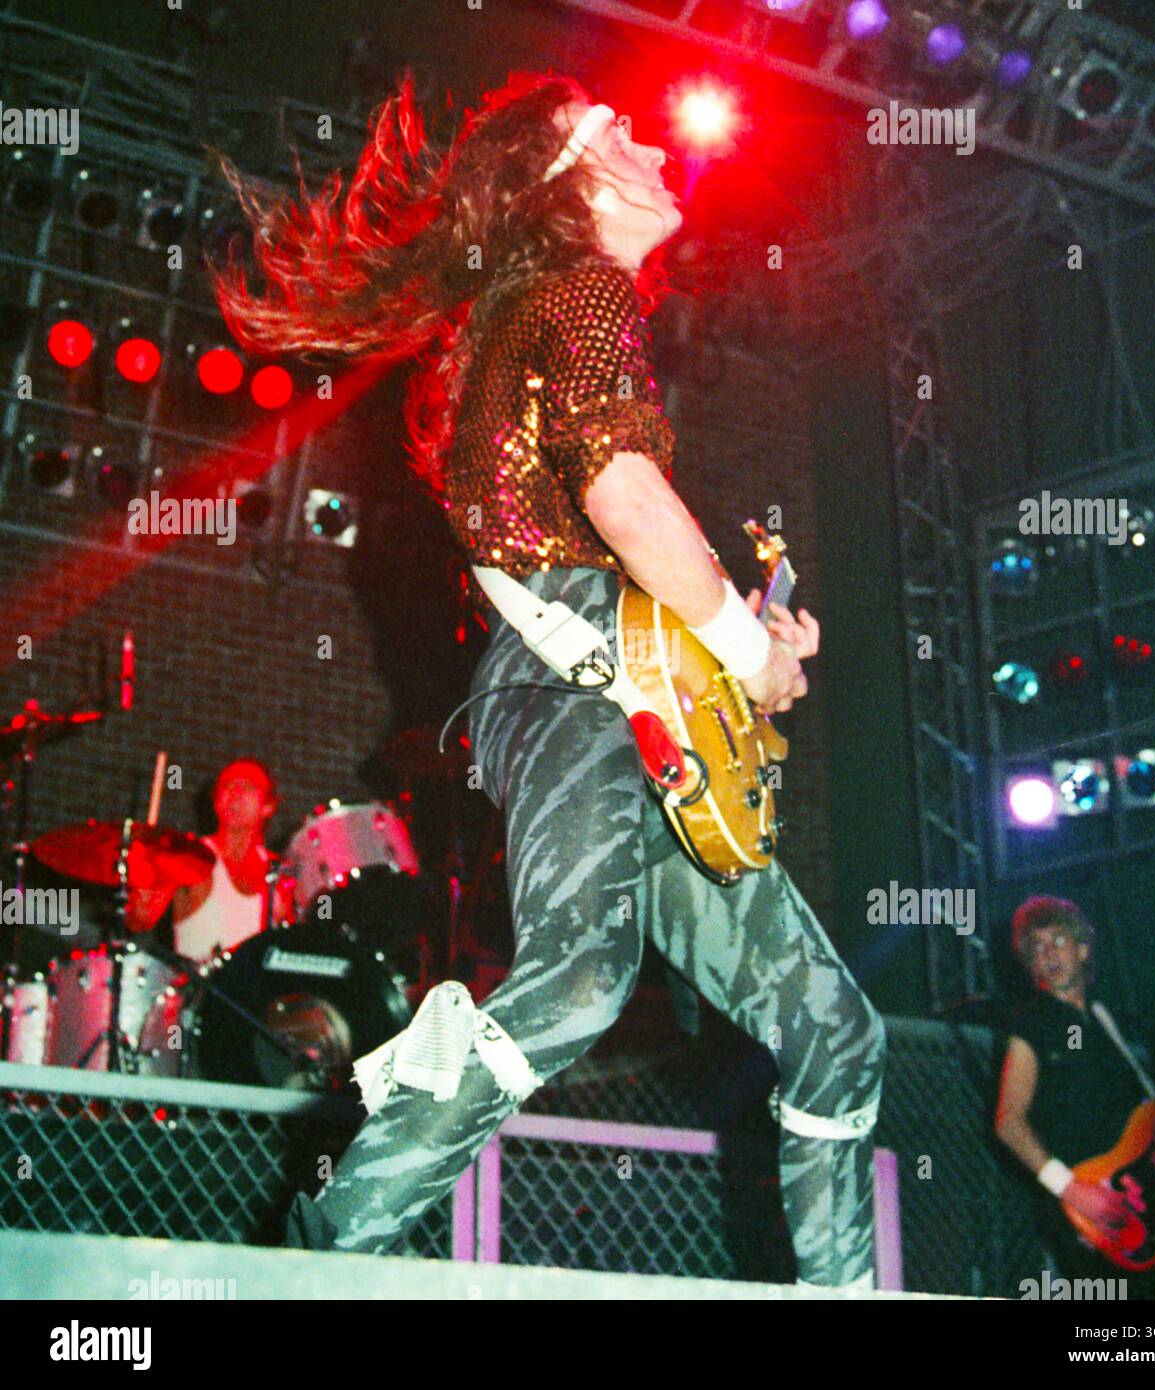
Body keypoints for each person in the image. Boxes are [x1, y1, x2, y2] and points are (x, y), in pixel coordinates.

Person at [210, 72, 886, 1289]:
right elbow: (623, 503)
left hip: (627, 694)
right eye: (603, 129)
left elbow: (619, 539)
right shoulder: (575, 290)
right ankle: (321, 1255)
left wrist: (748, 647)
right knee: (578, 977)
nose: (639, 136)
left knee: (834, 1029)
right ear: (554, 190)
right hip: (570, 679)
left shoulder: (549, 309)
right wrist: (743, 643)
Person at [993, 895, 1155, 1293]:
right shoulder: (1032, 1024)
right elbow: (1008, 1121)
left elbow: (1149, 1114)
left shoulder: (1105, 1018)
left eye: (1058, 941)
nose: (1048, 954)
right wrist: (1070, 1188)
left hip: (1137, 1199)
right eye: (1037, 948)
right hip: (1084, 1208)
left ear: (1082, 949)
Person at [126, 758, 293, 962]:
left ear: (268, 806)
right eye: (227, 786)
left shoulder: (281, 872)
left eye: (247, 787)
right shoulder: (188, 857)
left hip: (254, 991)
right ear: (215, 802)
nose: (235, 794)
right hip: (199, 989)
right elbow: (139, 922)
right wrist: (143, 878)